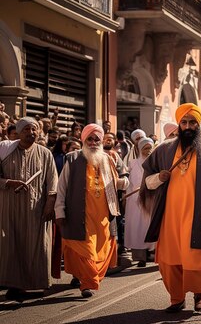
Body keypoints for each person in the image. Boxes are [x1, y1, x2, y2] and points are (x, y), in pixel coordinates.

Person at [139, 103, 201, 313]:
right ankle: (176, 298)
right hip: (169, 216)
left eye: (192, 122)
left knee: (197, 257)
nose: (188, 126)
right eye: (184, 122)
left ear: (198, 124)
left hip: (197, 215)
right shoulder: (163, 150)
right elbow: (147, 182)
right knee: (170, 261)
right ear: (179, 124)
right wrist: (159, 177)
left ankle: (199, 295)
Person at [54, 124, 129, 298]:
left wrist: (122, 183)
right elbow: (62, 187)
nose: (94, 142)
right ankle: (87, 283)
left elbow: (122, 180)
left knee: (98, 252)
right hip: (79, 215)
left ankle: (82, 276)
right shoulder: (72, 158)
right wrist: (60, 211)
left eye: (97, 139)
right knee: (85, 250)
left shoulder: (108, 159)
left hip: (103, 216)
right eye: (90, 139)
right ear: (83, 140)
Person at [0, 118, 58, 302]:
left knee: (37, 245)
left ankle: (36, 283)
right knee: (12, 245)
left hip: (36, 208)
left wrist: (50, 205)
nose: (31, 132)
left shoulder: (45, 153)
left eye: (34, 129)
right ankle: (14, 285)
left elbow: (53, 181)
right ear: (18, 132)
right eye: (26, 129)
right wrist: (8, 182)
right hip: (9, 208)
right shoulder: (5, 152)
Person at [124, 137, 155, 267]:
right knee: (137, 228)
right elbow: (127, 183)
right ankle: (140, 258)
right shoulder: (132, 163)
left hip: (151, 199)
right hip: (135, 201)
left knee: (150, 227)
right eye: (145, 148)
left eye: (149, 148)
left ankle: (152, 254)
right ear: (139, 149)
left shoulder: (156, 163)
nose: (147, 151)